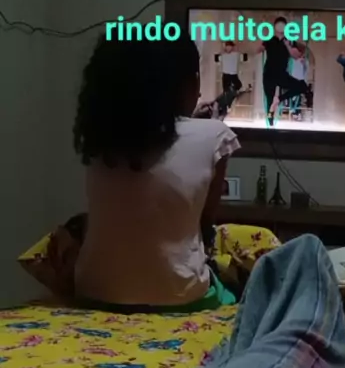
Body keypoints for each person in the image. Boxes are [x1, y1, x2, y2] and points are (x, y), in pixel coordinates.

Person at [73, 32, 240, 312]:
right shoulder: (215, 134)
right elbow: (203, 223)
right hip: (180, 296)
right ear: (189, 84)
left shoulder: (102, 133)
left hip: (93, 292)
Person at [259, 17, 313, 125]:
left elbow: (296, 56)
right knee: (269, 101)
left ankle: (279, 99)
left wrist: (287, 45)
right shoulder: (269, 40)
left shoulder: (289, 41)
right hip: (269, 73)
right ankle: (270, 121)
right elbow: (258, 49)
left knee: (302, 86)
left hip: (281, 74)